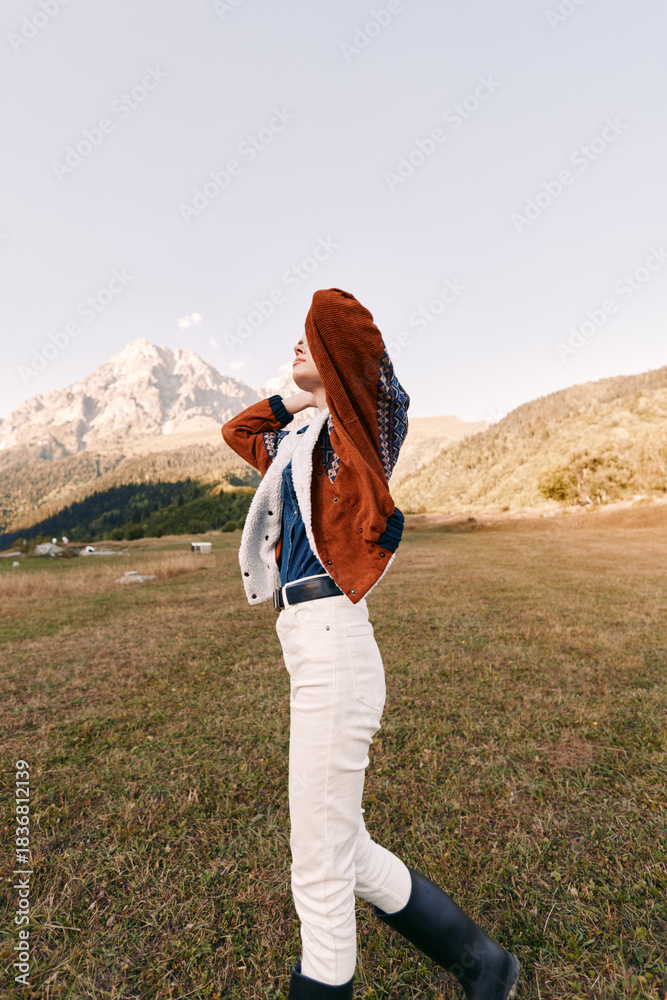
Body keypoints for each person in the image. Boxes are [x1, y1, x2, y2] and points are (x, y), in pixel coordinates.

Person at [221, 288, 520, 999]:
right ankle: (484, 964)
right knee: (341, 848)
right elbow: (238, 432)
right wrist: (297, 398)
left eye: (307, 340)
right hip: (304, 641)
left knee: (317, 868)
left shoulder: (357, 440)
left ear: (335, 357)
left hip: (334, 646)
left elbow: (338, 326)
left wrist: (326, 357)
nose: (294, 346)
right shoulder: (299, 440)